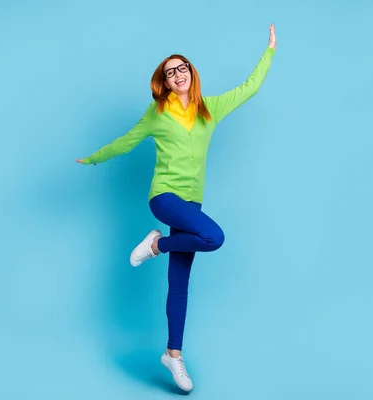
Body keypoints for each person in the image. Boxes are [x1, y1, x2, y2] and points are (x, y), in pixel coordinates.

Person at [76, 24, 277, 392]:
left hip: (193, 201)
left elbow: (249, 89)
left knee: (179, 284)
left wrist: (269, 53)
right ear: (164, 82)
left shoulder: (209, 109)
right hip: (164, 197)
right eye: (170, 72)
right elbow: (126, 141)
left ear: (191, 73)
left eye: (182, 67)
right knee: (213, 236)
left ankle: (173, 355)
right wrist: (92, 159)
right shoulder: (157, 113)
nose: (177, 74)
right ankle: (157, 244)